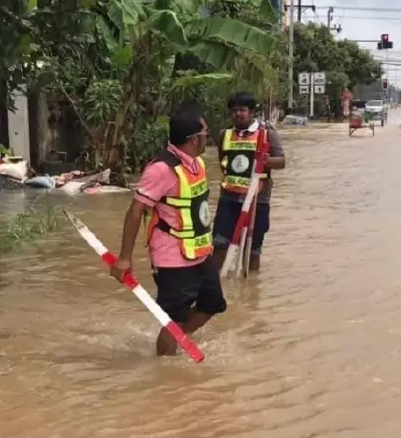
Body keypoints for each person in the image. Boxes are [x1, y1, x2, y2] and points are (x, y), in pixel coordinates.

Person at [110, 103, 226, 356]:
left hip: (200, 251)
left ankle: (177, 341)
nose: (208, 137)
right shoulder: (161, 169)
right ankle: (164, 364)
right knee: (174, 319)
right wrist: (125, 257)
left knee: (213, 304)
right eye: (205, 133)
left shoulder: (197, 164)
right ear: (194, 138)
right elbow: (136, 211)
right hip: (172, 257)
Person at [212, 92, 286, 272]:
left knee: (252, 250)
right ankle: (214, 281)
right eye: (234, 110)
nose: (237, 114)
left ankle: (250, 283)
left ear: (251, 112)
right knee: (220, 244)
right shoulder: (224, 134)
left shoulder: (267, 133)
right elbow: (223, 163)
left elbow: (281, 161)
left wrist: (266, 161)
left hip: (257, 200)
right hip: (229, 199)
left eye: (242, 110)